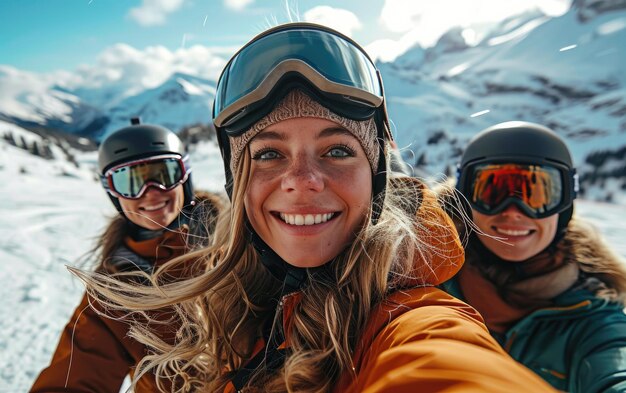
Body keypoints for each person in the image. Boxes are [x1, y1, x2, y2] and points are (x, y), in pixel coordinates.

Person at [76, 23, 556, 392]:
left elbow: (447, 363)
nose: (302, 181)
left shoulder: (410, 315)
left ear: (378, 175)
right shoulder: (236, 299)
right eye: (267, 154)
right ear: (237, 182)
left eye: (338, 150)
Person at [31, 119, 224, 392]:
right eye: (129, 181)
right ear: (113, 194)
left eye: (164, 173)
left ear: (185, 175)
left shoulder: (242, 240)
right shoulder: (116, 291)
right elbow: (77, 372)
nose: (150, 192)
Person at [441, 121, 626, 392]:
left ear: (563, 207)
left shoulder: (593, 318)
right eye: (493, 192)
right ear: (466, 200)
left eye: (536, 195)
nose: (513, 212)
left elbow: (614, 368)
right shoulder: (428, 275)